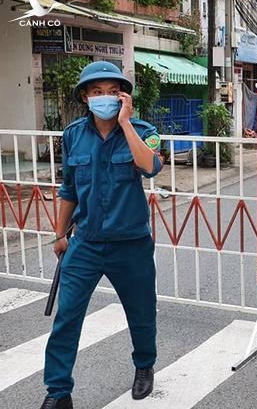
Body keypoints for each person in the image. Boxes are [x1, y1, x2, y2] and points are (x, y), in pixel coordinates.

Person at [40, 61, 164, 409]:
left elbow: (150, 166)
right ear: (85, 96)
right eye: (96, 92)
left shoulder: (142, 129)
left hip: (132, 244)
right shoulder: (73, 134)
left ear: (124, 97)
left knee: (141, 312)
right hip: (86, 242)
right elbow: (68, 189)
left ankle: (144, 366)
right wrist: (60, 235)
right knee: (67, 318)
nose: (104, 98)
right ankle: (58, 392)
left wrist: (125, 123)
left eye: (113, 92)